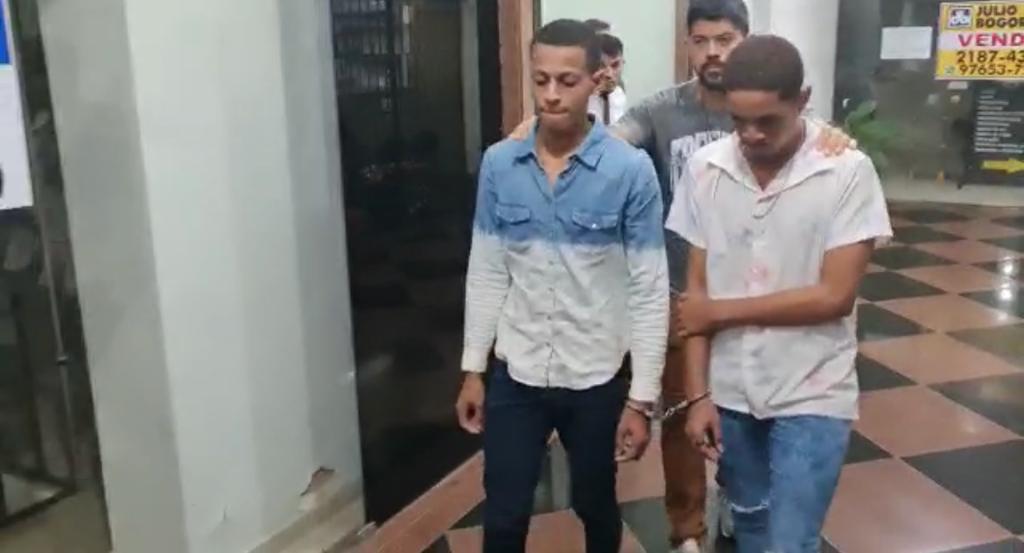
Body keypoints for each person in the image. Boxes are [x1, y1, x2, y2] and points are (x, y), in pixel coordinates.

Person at [510, 3, 852, 551]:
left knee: (747, 423)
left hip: (766, 303)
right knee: (684, 415)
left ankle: (741, 503)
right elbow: (610, 141)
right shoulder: (662, 110)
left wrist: (830, 136)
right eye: (700, 40)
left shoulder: (787, 118)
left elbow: (815, 150)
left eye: (725, 39)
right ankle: (687, 528)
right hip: (683, 288)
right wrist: (551, 125)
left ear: (746, 40)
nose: (712, 52)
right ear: (688, 44)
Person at [667, 34, 892, 553]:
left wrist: (717, 312)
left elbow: (834, 296)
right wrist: (697, 396)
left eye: (767, 121)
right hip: (730, 389)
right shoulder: (705, 169)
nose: (751, 134)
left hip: (813, 388)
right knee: (749, 525)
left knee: (791, 541)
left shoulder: (845, 171)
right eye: (738, 120)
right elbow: (696, 298)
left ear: (802, 100)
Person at [454, 19, 669, 553]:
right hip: (518, 372)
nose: (551, 94)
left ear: (597, 79)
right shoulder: (500, 164)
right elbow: (487, 269)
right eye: (541, 79)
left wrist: (641, 400)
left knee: (595, 504)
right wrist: (473, 369)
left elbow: (648, 288)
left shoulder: (630, 171)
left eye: (567, 81)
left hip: (595, 376)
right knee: (504, 514)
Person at [588, 33, 628, 125]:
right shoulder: (577, 96)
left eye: (615, 65)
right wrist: (593, 98)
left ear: (623, 63)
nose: (609, 74)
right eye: (601, 66)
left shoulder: (619, 93)